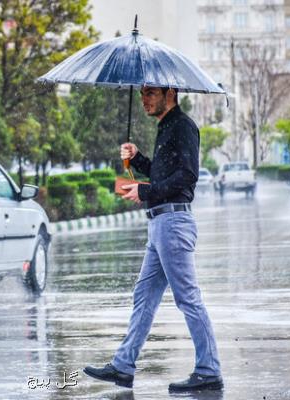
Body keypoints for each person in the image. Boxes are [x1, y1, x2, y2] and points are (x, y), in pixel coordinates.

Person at [83, 86, 223, 392]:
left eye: (150, 93)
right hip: (160, 224)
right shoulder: (166, 127)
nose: (144, 99)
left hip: (173, 223)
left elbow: (187, 176)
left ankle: (209, 369)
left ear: (169, 93)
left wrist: (145, 191)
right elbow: (164, 176)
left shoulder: (183, 126)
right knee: (144, 296)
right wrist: (138, 159)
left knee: (188, 297)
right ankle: (123, 366)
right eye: (143, 93)